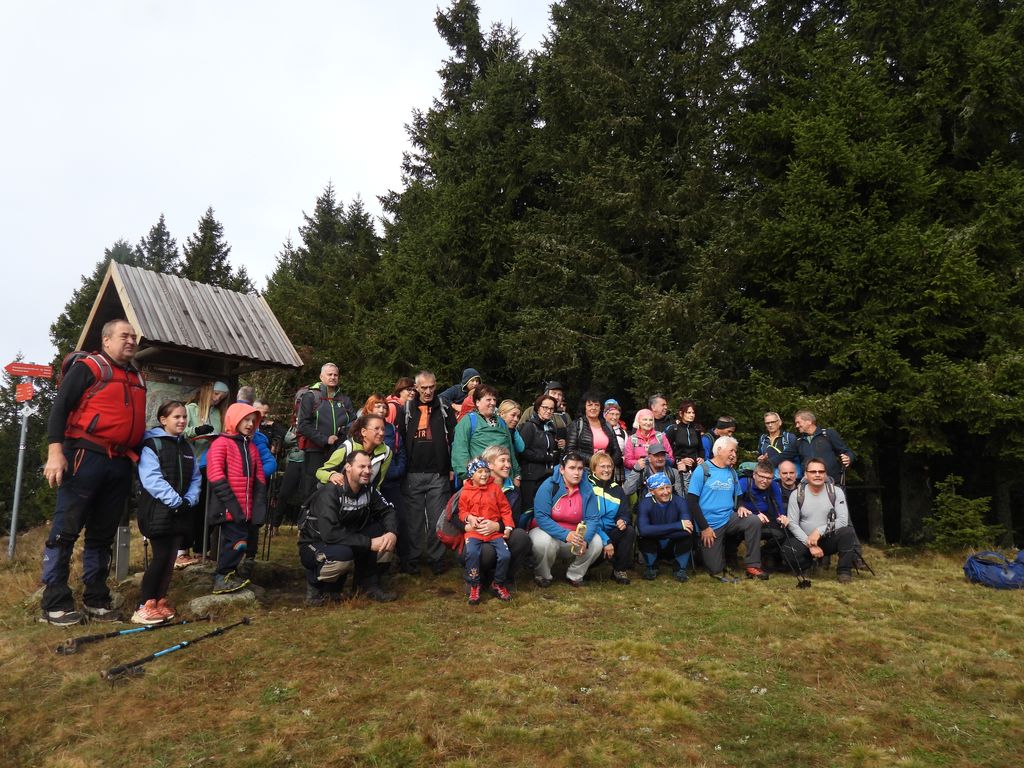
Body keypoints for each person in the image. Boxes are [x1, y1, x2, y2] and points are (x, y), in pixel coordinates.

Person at [40, 319, 147, 625]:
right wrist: (55, 453)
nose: (131, 340)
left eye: (133, 336)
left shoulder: (136, 375)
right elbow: (60, 408)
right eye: (124, 336)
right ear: (106, 340)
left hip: (119, 462)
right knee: (66, 530)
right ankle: (54, 602)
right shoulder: (89, 368)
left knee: (102, 533)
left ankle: (96, 599)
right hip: (84, 456)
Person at [298, 451, 398, 604]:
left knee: (383, 535)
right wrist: (369, 543)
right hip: (316, 543)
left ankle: (367, 586)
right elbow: (330, 533)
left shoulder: (368, 489)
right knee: (343, 554)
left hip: (347, 538)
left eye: (369, 467)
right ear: (348, 467)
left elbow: (388, 511)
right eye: (361, 466)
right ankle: (317, 590)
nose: (367, 471)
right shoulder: (330, 492)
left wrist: (391, 533)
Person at [134, 400, 201, 624]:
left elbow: (196, 478)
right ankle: (144, 605)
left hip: (181, 511)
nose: (182, 421)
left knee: (171, 557)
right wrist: (175, 501)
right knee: (161, 557)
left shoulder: (187, 447)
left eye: (184, 417)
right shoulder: (152, 445)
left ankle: (159, 601)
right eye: (176, 417)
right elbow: (151, 478)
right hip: (158, 511)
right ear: (163, 420)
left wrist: (189, 500)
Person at [687, 435, 769, 582]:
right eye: (731, 450)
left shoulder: (731, 472)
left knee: (754, 521)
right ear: (719, 450)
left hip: (729, 518)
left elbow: (738, 496)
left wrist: (741, 507)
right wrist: (704, 527)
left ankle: (753, 565)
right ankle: (700, 552)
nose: (734, 454)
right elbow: (691, 501)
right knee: (715, 569)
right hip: (710, 524)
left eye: (735, 451)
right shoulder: (702, 470)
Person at [397, 371, 456, 575]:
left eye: (431, 387)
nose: (428, 391)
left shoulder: (445, 408)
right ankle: (412, 558)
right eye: (424, 388)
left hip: (438, 474)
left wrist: (451, 467)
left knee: (436, 518)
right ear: (416, 387)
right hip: (412, 473)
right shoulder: (406, 409)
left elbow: (454, 439)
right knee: (413, 521)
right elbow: (400, 441)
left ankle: (436, 558)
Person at [205, 402, 267, 593]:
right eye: (245, 420)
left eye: (253, 421)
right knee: (236, 542)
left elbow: (259, 478)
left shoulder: (251, 447)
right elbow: (215, 475)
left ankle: (229, 574)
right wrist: (232, 505)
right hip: (229, 507)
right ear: (234, 420)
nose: (250, 424)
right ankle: (222, 577)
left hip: (246, 509)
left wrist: (259, 508)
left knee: (240, 542)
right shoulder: (220, 444)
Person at [454, 445, 532, 589]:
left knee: (521, 537)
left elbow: (514, 520)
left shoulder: (514, 491)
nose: (508, 465)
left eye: (509, 461)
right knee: (487, 552)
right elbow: (454, 515)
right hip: (475, 536)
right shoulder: (471, 486)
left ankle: (503, 578)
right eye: (502, 460)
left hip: (498, 535)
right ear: (489, 465)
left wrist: (497, 526)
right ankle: (477, 579)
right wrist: (468, 525)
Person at [529, 452, 605, 587]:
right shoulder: (549, 485)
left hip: (575, 536)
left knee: (597, 542)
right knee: (542, 541)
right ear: (562, 469)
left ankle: (575, 575)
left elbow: (593, 518)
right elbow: (541, 517)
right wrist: (566, 535)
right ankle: (542, 575)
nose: (576, 473)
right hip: (548, 532)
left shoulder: (587, 488)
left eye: (580, 468)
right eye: (572, 468)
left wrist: (585, 539)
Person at [782, 458, 861, 583]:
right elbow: (792, 524)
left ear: (825, 474)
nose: (817, 475)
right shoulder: (796, 494)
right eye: (813, 472)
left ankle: (844, 572)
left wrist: (819, 531)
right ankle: (806, 566)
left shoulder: (836, 492)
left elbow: (842, 521)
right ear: (806, 474)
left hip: (829, 538)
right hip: (805, 539)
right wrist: (811, 544)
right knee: (787, 549)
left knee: (847, 532)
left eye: (821, 471)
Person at [177, 380, 229, 568]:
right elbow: (179, 432)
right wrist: (197, 431)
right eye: (216, 394)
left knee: (205, 510)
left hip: (210, 466)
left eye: (222, 397)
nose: (218, 399)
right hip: (191, 464)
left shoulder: (217, 413)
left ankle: (200, 550)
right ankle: (182, 551)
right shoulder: (190, 409)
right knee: (188, 507)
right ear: (207, 392)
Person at [459, 458, 514, 604]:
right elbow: (462, 511)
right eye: (479, 471)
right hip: (474, 532)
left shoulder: (495, 489)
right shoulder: (465, 492)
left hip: (494, 533)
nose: (484, 475)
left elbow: (505, 509)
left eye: (486, 471)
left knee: (505, 555)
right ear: (471, 475)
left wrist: (508, 526)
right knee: (472, 554)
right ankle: (474, 584)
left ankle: (498, 583)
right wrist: (469, 518)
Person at [296, 363, 355, 499]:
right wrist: (325, 439)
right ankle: (308, 512)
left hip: (338, 450)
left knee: (334, 485)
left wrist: (342, 433)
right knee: (311, 485)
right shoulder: (310, 396)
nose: (333, 377)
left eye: (335, 375)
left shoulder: (344, 399)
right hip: (315, 450)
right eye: (330, 374)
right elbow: (303, 425)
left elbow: (353, 422)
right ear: (321, 377)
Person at [450, 384, 521, 484]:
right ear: (477, 402)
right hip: (481, 480)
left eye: (494, 400)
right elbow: (460, 451)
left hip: (504, 481)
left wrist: (517, 474)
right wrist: (466, 476)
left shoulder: (501, 422)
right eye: (488, 399)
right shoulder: (468, 421)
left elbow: (510, 449)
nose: (493, 403)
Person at [588, 451, 636, 585]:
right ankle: (584, 567)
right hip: (592, 532)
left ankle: (619, 570)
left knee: (629, 530)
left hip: (610, 531)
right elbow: (588, 520)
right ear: (593, 469)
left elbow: (625, 512)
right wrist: (606, 541)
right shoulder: (587, 487)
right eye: (602, 466)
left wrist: (623, 520)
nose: (607, 470)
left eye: (609, 466)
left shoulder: (618, 489)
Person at [636, 472, 694, 582]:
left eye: (668, 487)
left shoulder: (680, 502)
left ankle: (680, 568)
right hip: (655, 544)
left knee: (687, 537)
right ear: (651, 491)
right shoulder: (644, 504)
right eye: (661, 489)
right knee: (644, 538)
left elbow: (688, 529)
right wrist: (678, 525)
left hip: (672, 544)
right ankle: (651, 567)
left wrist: (655, 531)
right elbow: (643, 530)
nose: (666, 492)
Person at [316, 413, 393, 489]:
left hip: (364, 494)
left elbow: (377, 483)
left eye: (383, 429)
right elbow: (320, 472)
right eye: (376, 429)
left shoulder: (386, 452)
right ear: (363, 432)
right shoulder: (348, 447)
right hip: (340, 493)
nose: (381, 433)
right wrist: (331, 476)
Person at [516, 393, 562, 512]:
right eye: (545, 407)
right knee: (529, 511)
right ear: (537, 408)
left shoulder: (550, 428)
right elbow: (523, 451)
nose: (548, 411)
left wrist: (557, 448)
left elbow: (548, 448)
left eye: (551, 408)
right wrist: (546, 457)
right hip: (530, 477)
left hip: (546, 475)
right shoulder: (529, 426)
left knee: (544, 509)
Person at [737, 459, 789, 561]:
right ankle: (730, 555)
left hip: (764, 521)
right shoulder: (744, 483)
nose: (765, 481)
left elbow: (779, 508)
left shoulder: (773, 486)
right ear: (754, 475)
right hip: (744, 521)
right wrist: (741, 507)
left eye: (769, 478)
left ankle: (762, 554)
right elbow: (732, 504)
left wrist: (782, 517)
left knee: (782, 533)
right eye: (761, 476)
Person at [793, 410, 855, 486]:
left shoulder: (828, 434)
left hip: (832, 484)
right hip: (809, 485)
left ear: (809, 421)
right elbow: (786, 456)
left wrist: (848, 457)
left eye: (798, 422)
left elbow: (846, 451)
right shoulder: (799, 441)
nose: (797, 426)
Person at [567, 391, 622, 468]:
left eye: (596, 405)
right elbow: (570, 451)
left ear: (600, 408)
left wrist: (608, 462)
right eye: (590, 405)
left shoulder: (607, 425)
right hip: (584, 469)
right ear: (584, 407)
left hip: (605, 470)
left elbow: (617, 451)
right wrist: (595, 460)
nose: (593, 408)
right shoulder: (576, 425)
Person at [664, 400, 703, 488]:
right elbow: (666, 452)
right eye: (688, 412)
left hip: (695, 469)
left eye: (693, 412)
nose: (692, 415)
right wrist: (680, 460)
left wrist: (701, 458)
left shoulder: (696, 429)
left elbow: (700, 448)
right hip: (678, 469)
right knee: (681, 493)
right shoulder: (673, 429)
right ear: (681, 413)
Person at [603, 399, 628, 482]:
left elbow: (626, 452)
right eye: (612, 414)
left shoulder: (623, 432)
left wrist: (622, 459)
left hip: (618, 468)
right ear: (605, 415)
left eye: (617, 414)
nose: (615, 417)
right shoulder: (599, 430)